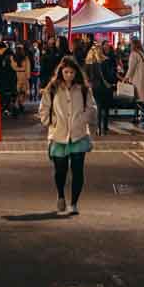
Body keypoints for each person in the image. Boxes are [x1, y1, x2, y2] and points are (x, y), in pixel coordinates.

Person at [39, 55, 99, 216]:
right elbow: (44, 108)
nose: (69, 76)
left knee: (78, 171)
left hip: (78, 135)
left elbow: (92, 108)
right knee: (60, 171)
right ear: (61, 72)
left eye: (72, 72)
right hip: (59, 135)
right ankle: (60, 196)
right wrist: (51, 121)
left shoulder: (83, 89)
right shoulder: (52, 88)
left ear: (76, 73)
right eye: (66, 72)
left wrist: (82, 120)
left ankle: (74, 203)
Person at [85, 43, 114, 135]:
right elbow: (110, 75)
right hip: (105, 87)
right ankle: (104, 126)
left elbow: (86, 76)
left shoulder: (88, 63)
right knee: (105, 107)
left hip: (94, 86)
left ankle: (98, 127)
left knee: (98, 106)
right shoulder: (105, 61)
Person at [124, 37, 144, 124]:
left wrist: (126, 78)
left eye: (130, 44)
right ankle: (136, 116)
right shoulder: (142, 53)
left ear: (133, 44)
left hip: (138, 79)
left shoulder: (134, 54)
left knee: (138, 99)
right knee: (140, 98)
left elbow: (131, 68)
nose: (130, 45)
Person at [11, 44, 32, 113]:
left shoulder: (13, 58)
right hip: (23, 75)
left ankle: (16, 104)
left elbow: (12, 67)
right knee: (23, 92)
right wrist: (28, 77)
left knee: (17, 91)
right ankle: (21, 104)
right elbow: (28, 68)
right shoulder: (25, 58)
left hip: (15, 75)